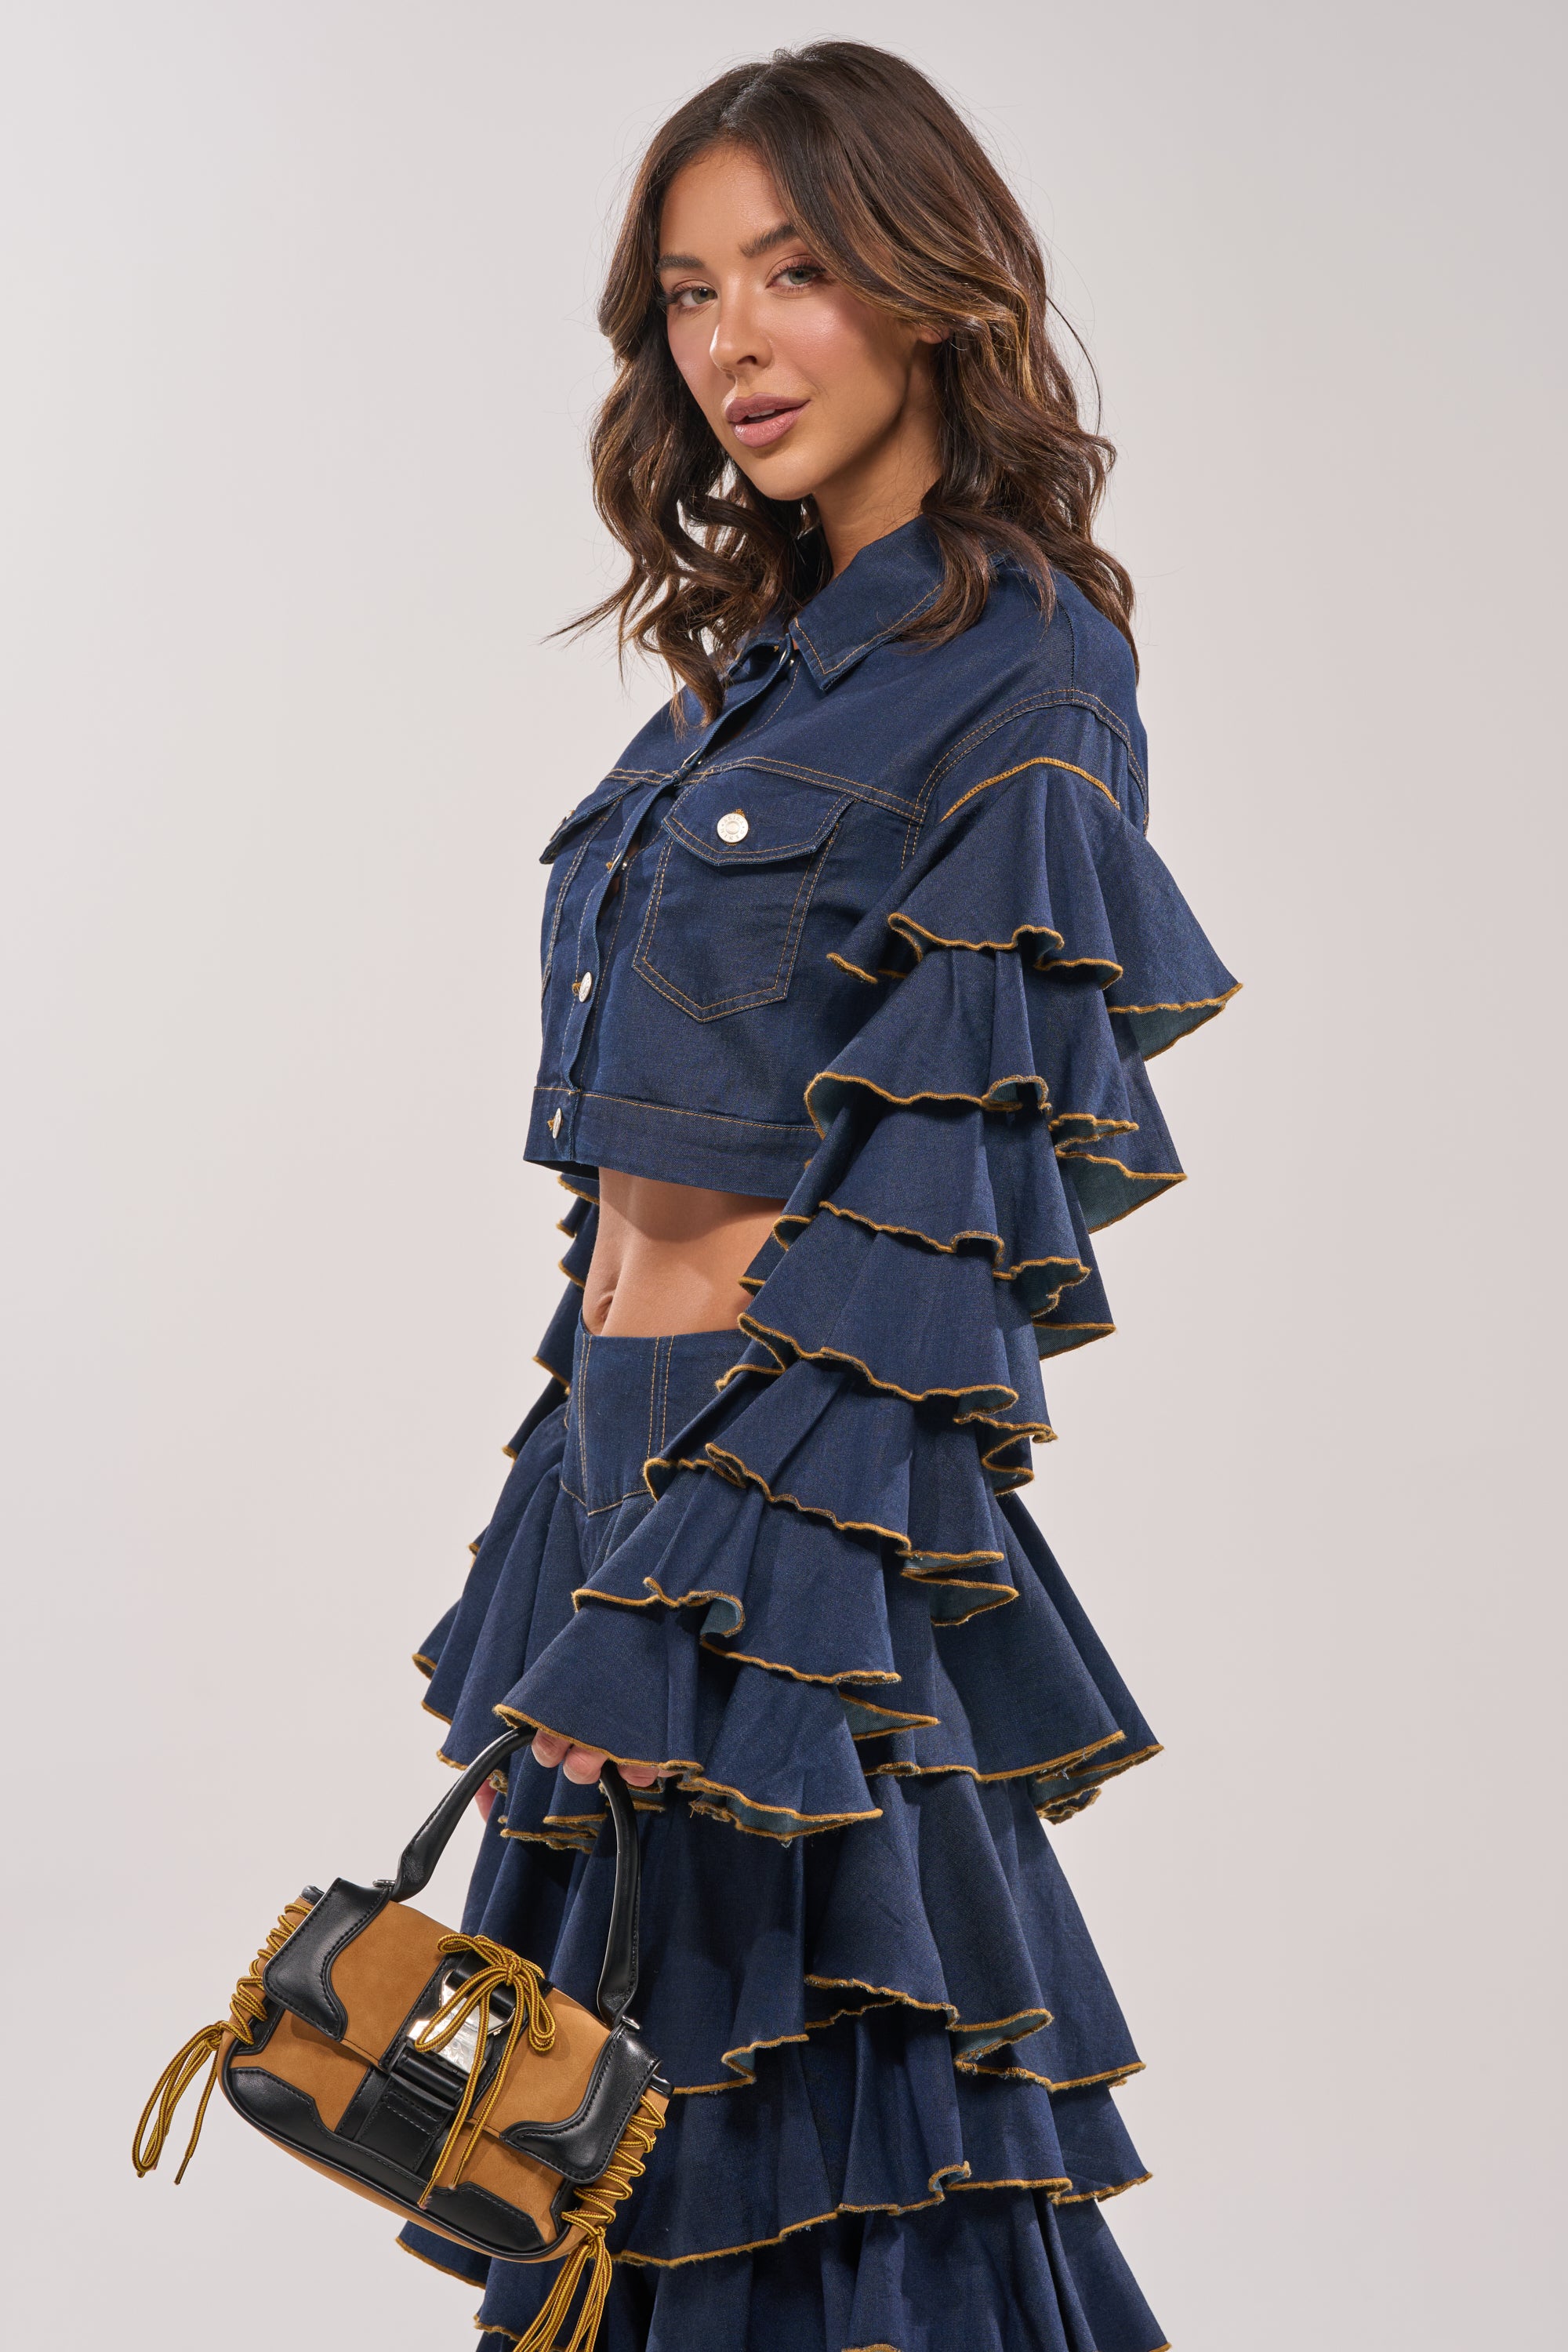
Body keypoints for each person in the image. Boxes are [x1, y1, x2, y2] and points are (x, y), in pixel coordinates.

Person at [406, 40, 1236, 2352]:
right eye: (688, 295)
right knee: (615, 2155)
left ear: (932, 283)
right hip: (628, 1469)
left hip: (795, 1527)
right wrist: (567, 1551)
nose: (736, 341)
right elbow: (632, 1180)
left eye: (794, 268)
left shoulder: (1024, 670)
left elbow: (938, 1212)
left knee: (851, 2148)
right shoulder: (740, 684)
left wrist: (696, 1594)